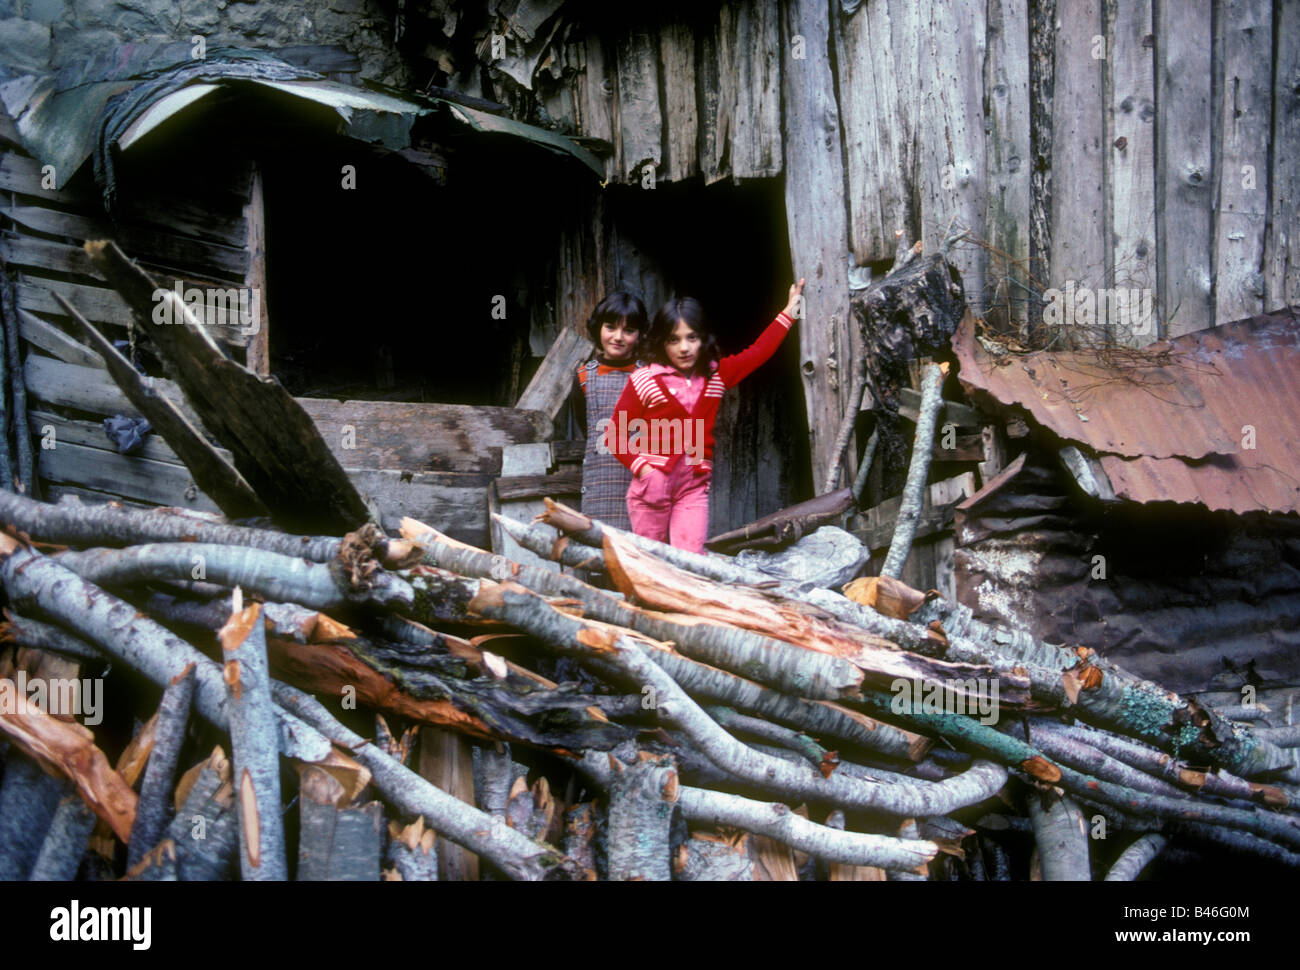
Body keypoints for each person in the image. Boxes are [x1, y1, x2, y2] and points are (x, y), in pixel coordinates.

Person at [607, 279, 804, 553]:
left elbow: (759, 353)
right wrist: (643, 469)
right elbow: (614, 435)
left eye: (692, 337)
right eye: (673, 340)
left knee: (692, 559)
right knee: (650, 561)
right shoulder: (644, 380)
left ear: (703, 338)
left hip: (693, 487)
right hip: (651, 487)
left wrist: (791, 312)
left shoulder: (716, 375)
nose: (683, 348)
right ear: (662, 343)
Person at [571, 290, 648, 531]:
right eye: (610, 327)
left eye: (628, 330)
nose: (618, 337)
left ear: (639, 335)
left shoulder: (649, 377)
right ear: (598, 329)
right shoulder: (584, 377)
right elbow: (589, 428)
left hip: (641, 481)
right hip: (599, 482)